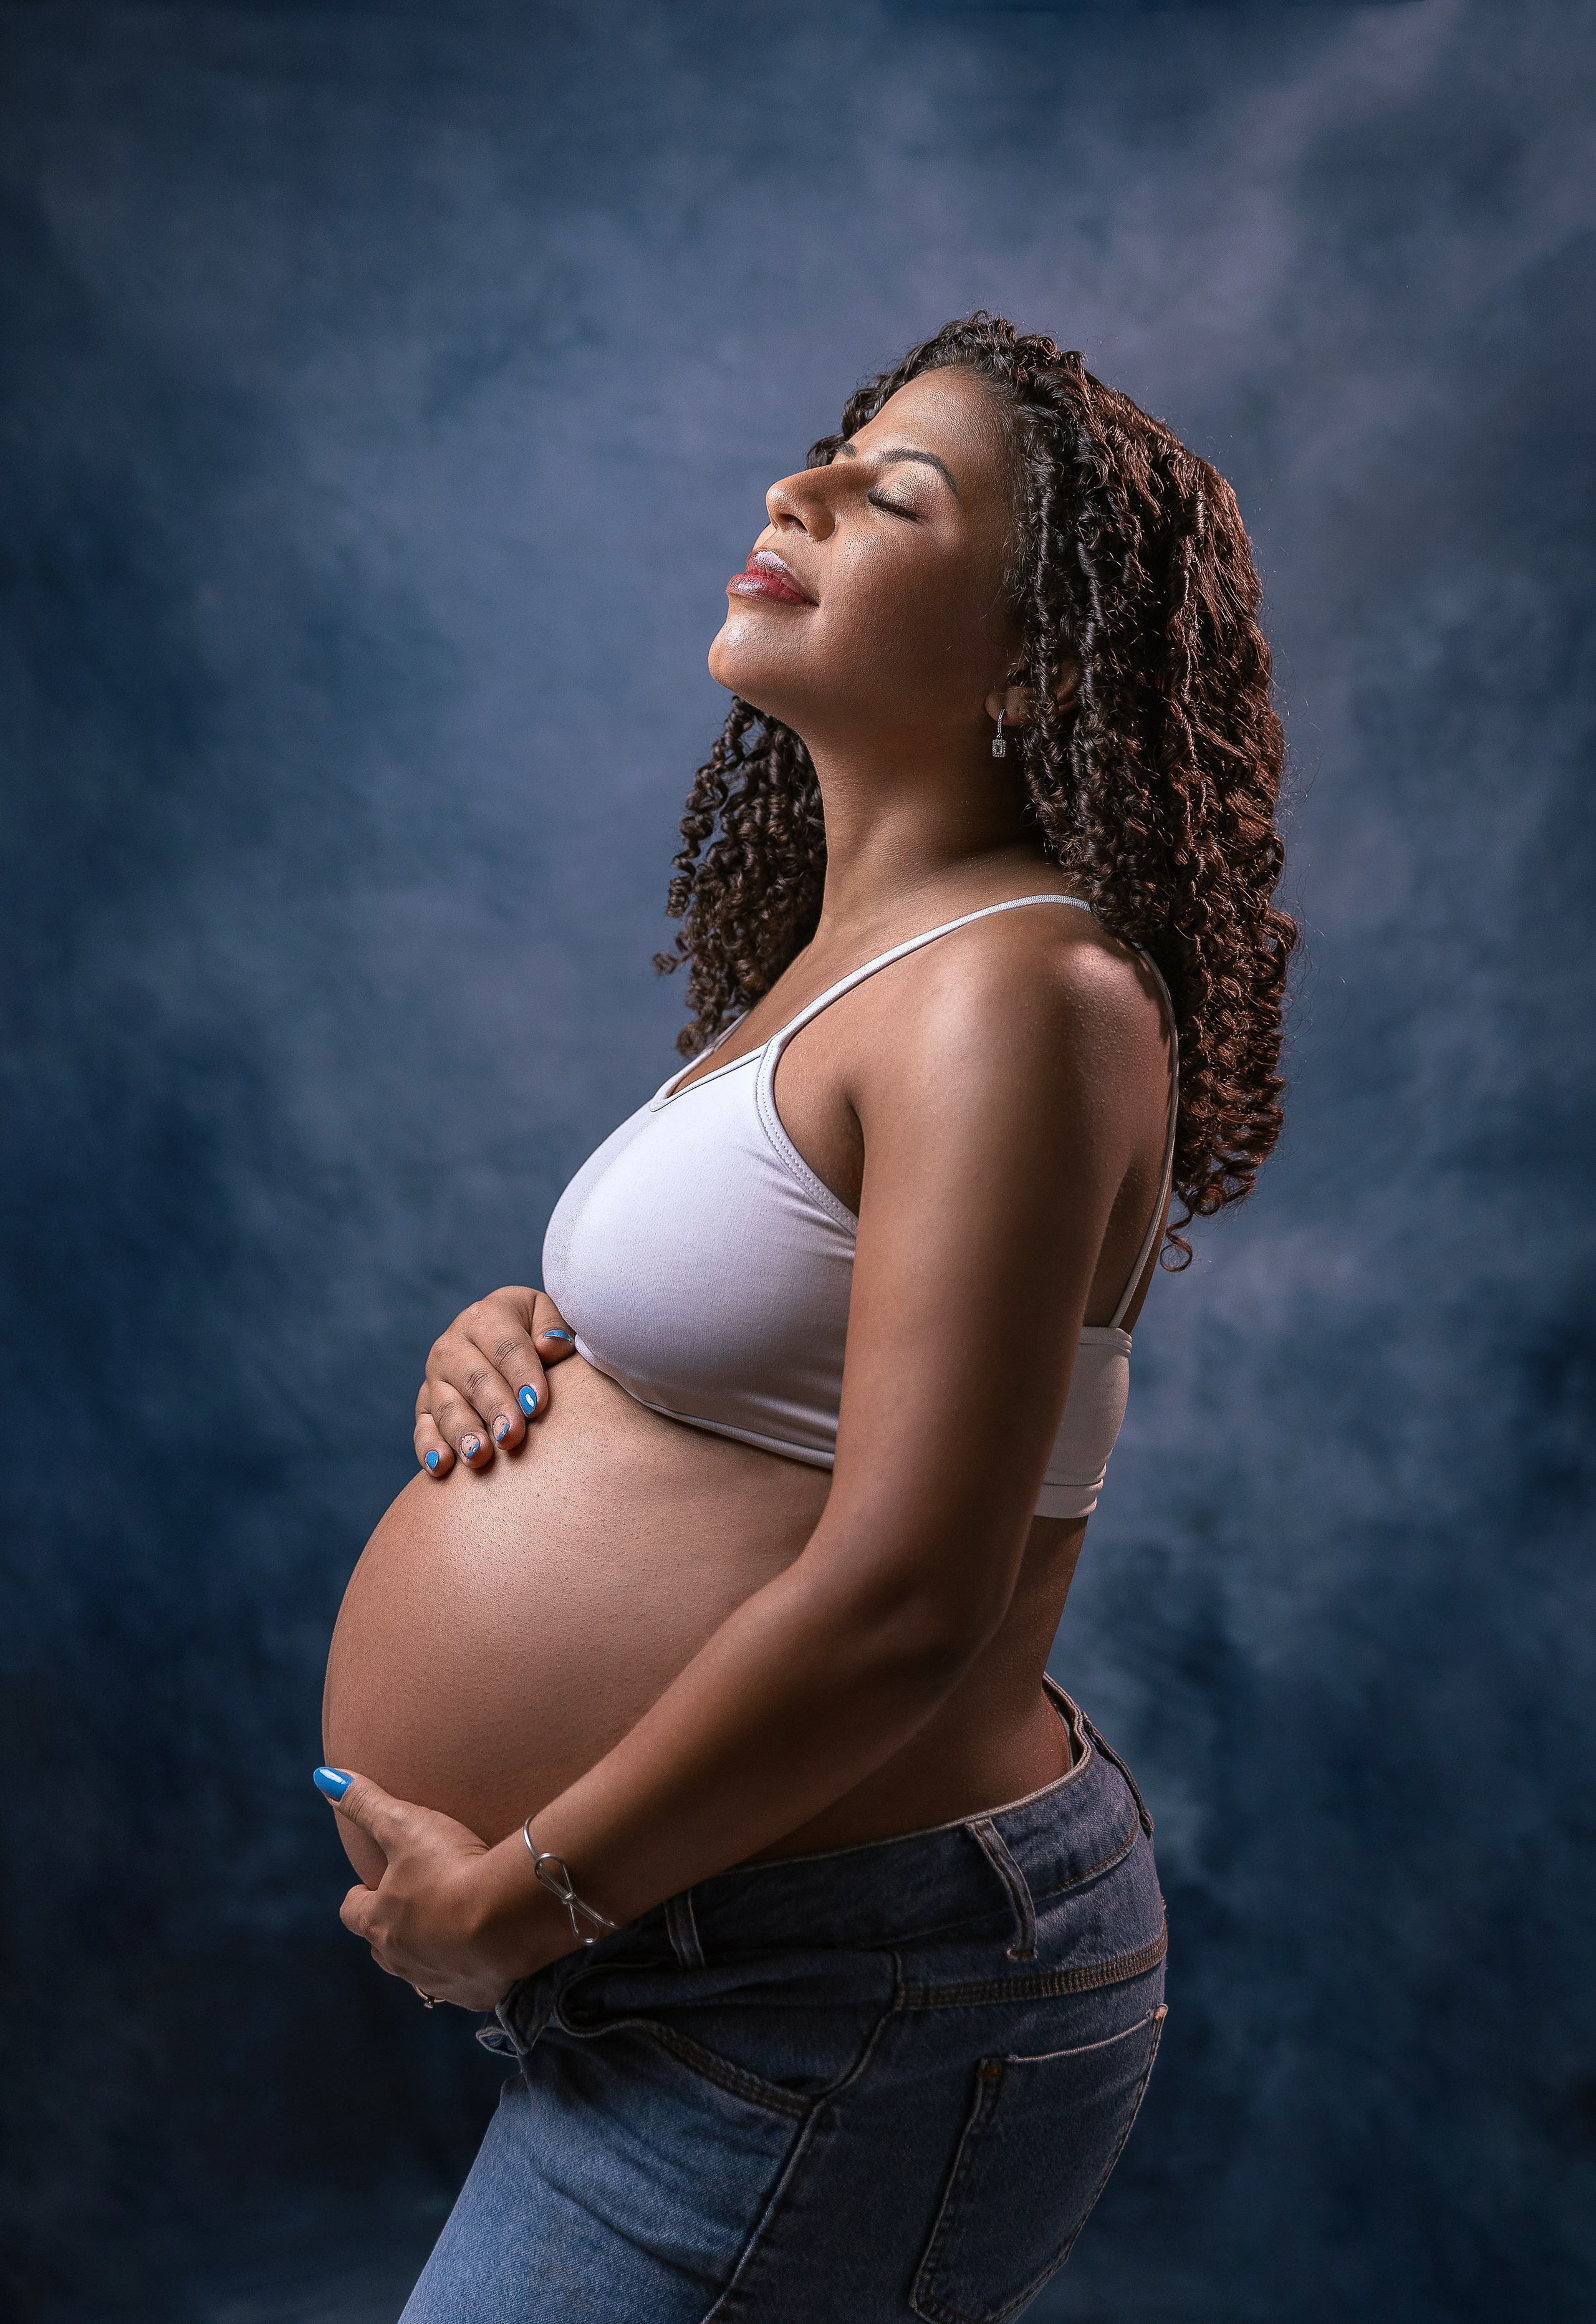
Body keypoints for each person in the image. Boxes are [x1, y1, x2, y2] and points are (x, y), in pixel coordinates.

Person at [315, 313, 1294, 2322]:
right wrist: (521, 1342)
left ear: (1034, 664)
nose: (801, 490)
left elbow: (917, 1591)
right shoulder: (852, 972)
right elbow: (766, 1374)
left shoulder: (1028, 995)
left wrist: (522, 1900)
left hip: (840, 1985)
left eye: (894, 493)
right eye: (825, 456)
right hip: (727, 1951)